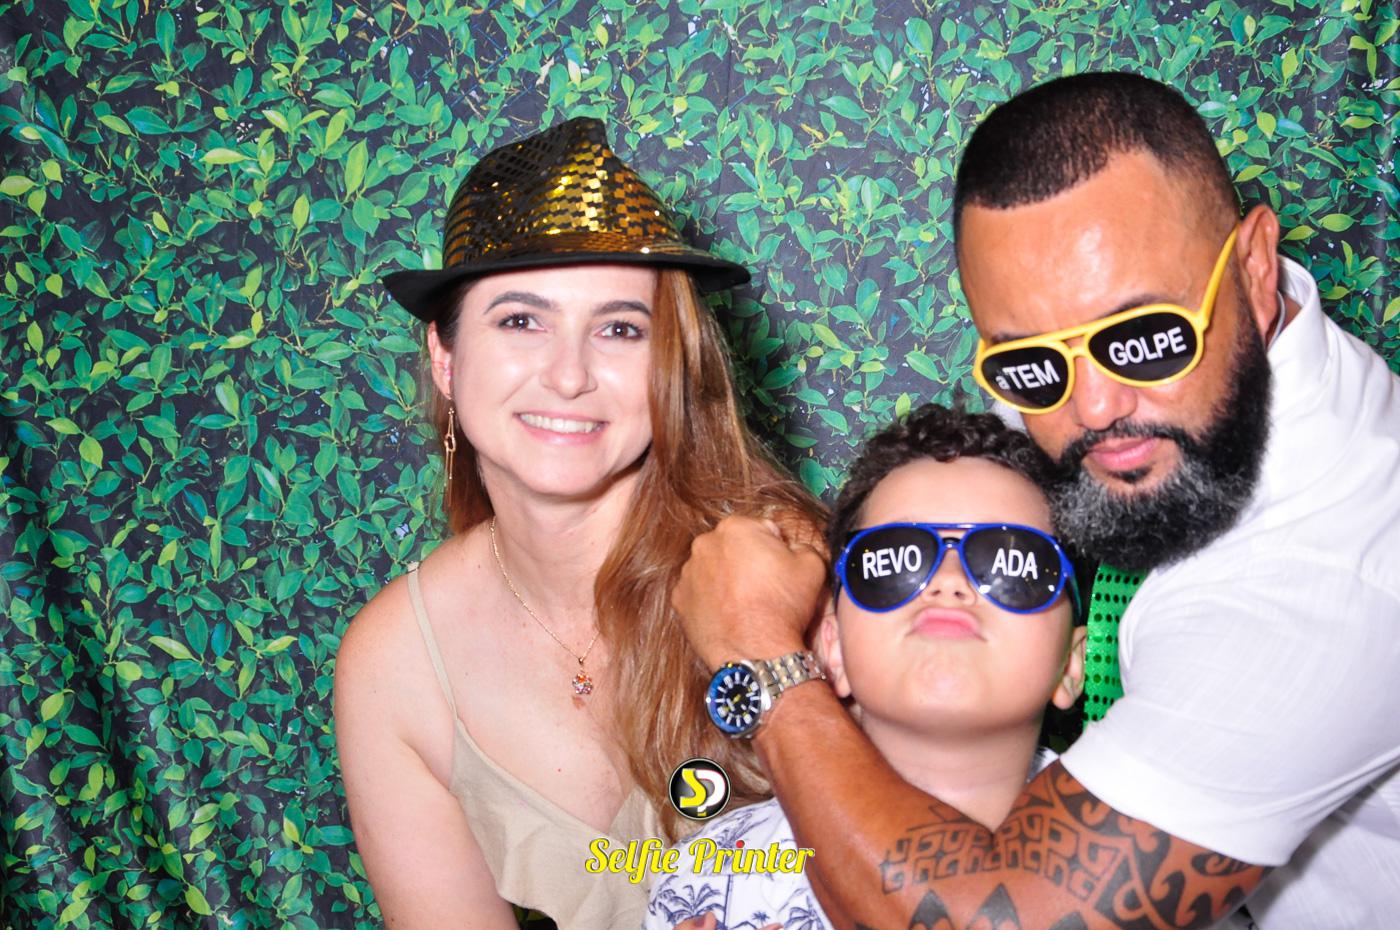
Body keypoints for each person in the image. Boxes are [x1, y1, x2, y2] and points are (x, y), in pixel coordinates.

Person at [671, 72, 1400, 928]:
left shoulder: (1329, 571)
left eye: (1144, 337)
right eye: (1030, 364)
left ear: (1255, 266)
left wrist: (759, 655)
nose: (1094, 408)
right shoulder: (1138, 389)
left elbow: (993, 919)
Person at [333, 117, 822, 929]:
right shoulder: (396, 663)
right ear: (445, 359)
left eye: (620, 328)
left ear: (671, 364)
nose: (568, 375)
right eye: (521, 320)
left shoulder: (790, 567)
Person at [644, 404, 1087, 929]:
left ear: (1072, 663)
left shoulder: (1149, 849)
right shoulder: (710, 883)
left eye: (1011, 561)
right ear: (833, 648)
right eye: (895, 560)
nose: (949, 581)